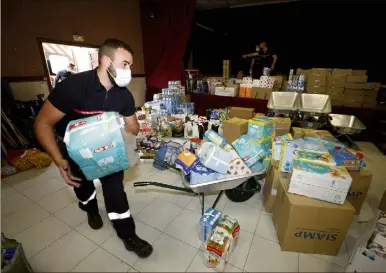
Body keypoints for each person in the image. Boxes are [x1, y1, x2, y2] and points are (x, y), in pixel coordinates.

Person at [35, 39, 153, 258]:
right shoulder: (73, 87)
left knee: (115, 190)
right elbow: (43, 123)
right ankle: (89, 209)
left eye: (130, 65)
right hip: (75, 150)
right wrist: (58, 159)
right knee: (82, 186)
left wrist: (134, 125)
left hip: (109, 150)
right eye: (125, 64)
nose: (129, 70)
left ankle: (127, 234)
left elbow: (133, 126)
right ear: (106, 61)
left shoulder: (123, 95)